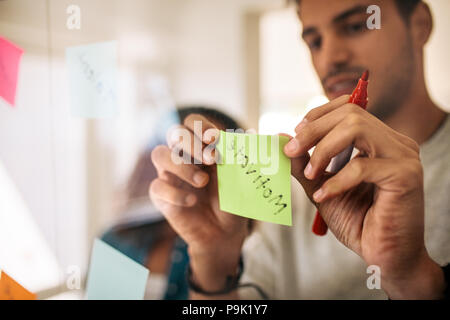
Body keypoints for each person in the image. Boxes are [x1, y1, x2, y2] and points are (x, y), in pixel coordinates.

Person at [149, 0, 449, 299]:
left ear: (420, 23)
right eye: (315, 41)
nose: (330, 58)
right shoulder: (293, 186)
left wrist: (412, 278)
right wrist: (213, 261)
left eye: (357, 26)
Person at [101, 106, 241, 300]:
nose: (201, 164)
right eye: (186, 150)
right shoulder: (115, 240)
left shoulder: (246, 249)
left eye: (217, 155)